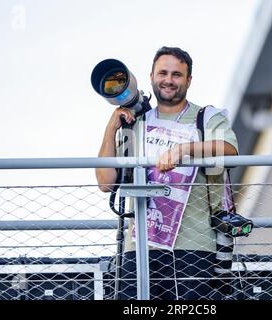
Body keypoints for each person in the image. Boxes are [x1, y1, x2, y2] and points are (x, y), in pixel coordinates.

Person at [96, 46, 239, 299]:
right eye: (163, 73)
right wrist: (111, 128)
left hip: (194, 244)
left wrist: (184, 150)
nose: (168, 80)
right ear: (151, 76)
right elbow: (106, 183)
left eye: (177, 74)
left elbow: (230, 151)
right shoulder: (136, 123)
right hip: (138, 246)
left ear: (189, 80)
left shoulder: (205, 118)